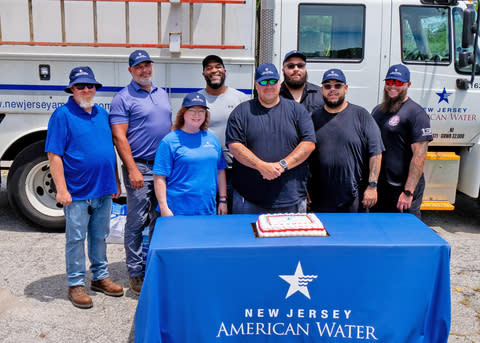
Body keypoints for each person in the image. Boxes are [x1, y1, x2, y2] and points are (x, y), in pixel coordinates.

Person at [45, 66, 124, 309]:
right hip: (77, 192)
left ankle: (100, 277)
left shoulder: (101, 114)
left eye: (90, 85)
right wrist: (61, 189)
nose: (86, 89)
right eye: (80, 86)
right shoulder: (62, 115)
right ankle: (75, 284)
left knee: (100, 236)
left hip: (103, 188)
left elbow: (108, 151)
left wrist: (116, 179)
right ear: (72, 89)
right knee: (76, 238)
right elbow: (54, 154)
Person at [109, 50, 172, 295]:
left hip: (164, 166)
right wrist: (132, 169)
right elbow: (119, 137)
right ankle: (135, 272)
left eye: (147, 65)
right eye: (139, 67)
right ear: (130, 71)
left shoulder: (161, 93)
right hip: (141, 166)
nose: (144, 70)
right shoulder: (122, 98)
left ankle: (155, 265)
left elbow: (169, 126)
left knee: (161, 217)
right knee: (137, 221)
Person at [226, 63, 316, 214]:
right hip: (248, 200)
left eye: (273, 81)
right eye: (263, 82)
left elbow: (308, 144)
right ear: (256, 85)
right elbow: (235, 146)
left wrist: (282, 165)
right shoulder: (241, 112)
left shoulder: (297, 110)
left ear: (279, 84)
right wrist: (261, 166)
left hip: (291, 199)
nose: (268, 86)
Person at [308, 68, 384, 212]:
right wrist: (303, 189)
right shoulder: (312, 118)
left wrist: (372, 186)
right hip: (319, 198)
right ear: (322, 90)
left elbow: (376, 152)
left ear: (346, 88)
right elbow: (304, 157)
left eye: (338, 85)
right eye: (327, 86)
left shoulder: (361, 115)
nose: (332, 89)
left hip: (353, 198)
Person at [371, 64, 433, 218]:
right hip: (383, 187)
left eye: (398, 83)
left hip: (402, 189)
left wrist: (408, 191)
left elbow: (419, 156)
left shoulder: (416, 113)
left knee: (406, 234)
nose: (393, 86)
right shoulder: (378, 111)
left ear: (408, 85)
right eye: (389, 82)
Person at [153, 93, 227, 216]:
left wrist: (223, 200)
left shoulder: (213, 139)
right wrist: (164, 207)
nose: (197, 115)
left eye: (201, 111)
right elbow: (159, 177)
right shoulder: (170, 141)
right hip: (177, 210)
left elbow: (220, 171)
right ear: (183, 113)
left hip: (207, 209)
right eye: (192, 110)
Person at [197, 55, 249, 210]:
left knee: (234, 216)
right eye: (209, 68)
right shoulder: (196, 100)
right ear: (204, 74)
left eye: (218, 66)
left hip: (236, 170)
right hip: (206, 171)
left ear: (225, 71)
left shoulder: (240, 98)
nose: (214, 70)